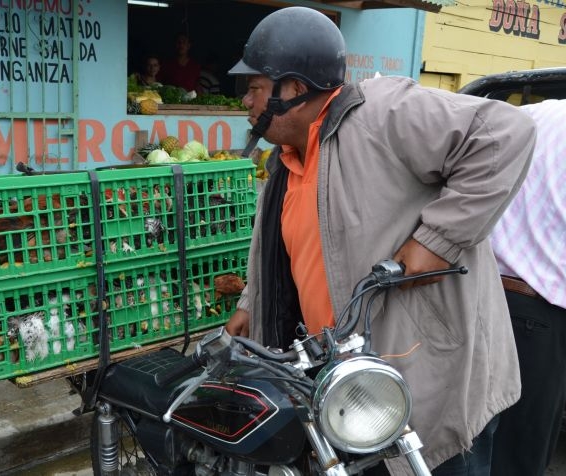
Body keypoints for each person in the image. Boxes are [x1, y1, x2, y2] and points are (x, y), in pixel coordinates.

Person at [224, 7, 535, 475]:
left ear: (295, 88)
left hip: (434, 393)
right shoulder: (286, 164)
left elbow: (504, 133)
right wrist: (252, 301)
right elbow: (285, 255)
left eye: (253, 88)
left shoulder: (382, 112)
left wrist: (437, 239)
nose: (245, 101)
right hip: (360, 398)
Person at [489, 99, 566, 476]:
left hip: (478, 297)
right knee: (518, 459)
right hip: (538, 320)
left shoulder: (533, 114)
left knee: (465, 448)